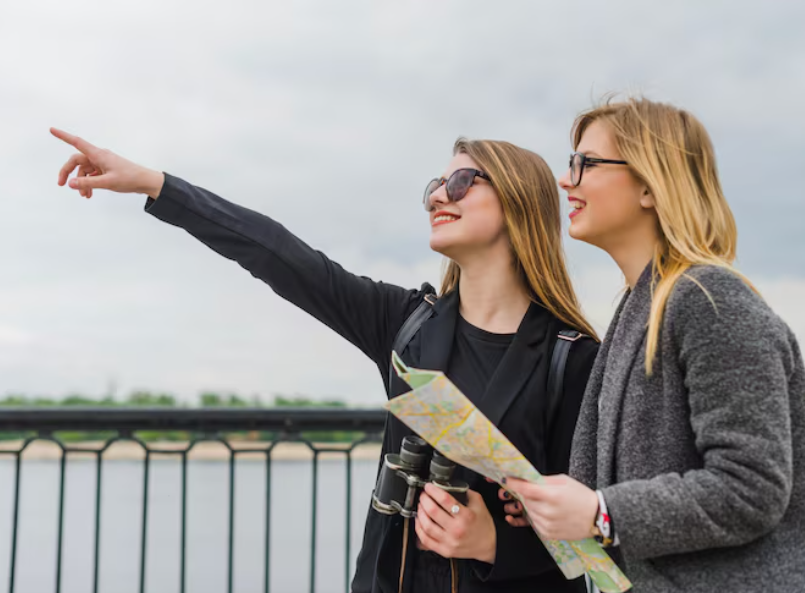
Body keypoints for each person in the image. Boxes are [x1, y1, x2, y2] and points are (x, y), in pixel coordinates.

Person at [51, 128, 599, 592]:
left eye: (459, 183)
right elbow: (278, 253)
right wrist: (155, 184)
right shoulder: (406, 324)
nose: (437, 196)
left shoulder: (573, 360)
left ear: (519, 201)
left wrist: (495, 544)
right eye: (434, 186)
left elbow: (599, 537)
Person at [498, 97, 805, 592]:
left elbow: (752, 488)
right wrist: (554, 506)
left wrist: (599, 512)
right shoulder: (642, 306)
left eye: (586, 163)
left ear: (649, 185)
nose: (566, 180)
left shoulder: (710, 300)